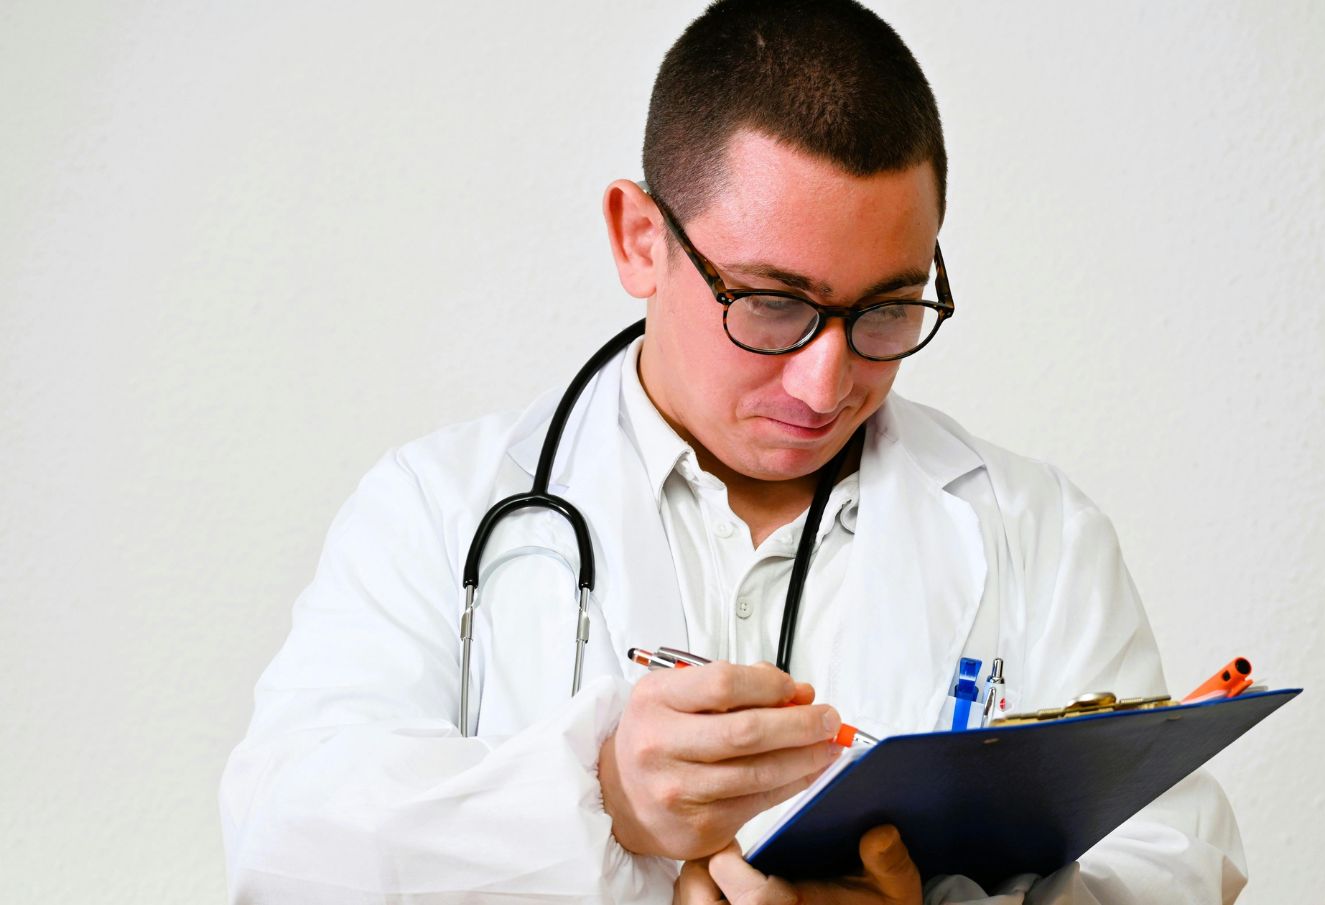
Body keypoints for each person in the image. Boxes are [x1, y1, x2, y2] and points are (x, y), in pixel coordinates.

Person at [220, 1, 1247, 902]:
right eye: (771, 302)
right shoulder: (436, 508)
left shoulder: (1036, 533)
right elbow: (281, 846)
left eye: (887, 308)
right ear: (639, 239)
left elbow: (1179, 865)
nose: (826, 379)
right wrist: (605, 801)